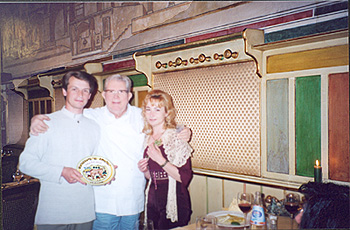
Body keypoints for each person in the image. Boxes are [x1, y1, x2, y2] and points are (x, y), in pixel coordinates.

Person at [30, 74, 192, 230]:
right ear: (104, 95)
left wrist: (184, 130)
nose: (115, 96)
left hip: (132, 198)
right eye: (110, 91)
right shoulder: (92, 116)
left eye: (120, 91)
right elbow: (64, 117)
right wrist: (37, 118)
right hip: (103, 200)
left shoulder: (141, 116)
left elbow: (165, 124)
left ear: (129, 95)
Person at [19, 71, 100, 230]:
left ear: (90, 95)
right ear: (64, 91)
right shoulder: (46, 122)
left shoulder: (95, 127)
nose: (80, 94)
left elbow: (94, 162)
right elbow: (26, 163)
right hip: (54, 213)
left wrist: (104, 173)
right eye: (74, 89)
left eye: (85, 90)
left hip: (85, 212)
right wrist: (61, 171)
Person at [137, 90, 193, 229]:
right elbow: (152, 176)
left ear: (167, 112)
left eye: (157, 109)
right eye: (148, 109)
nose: (151, 114)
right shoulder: (145, 137)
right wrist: (144, 171)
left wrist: (161, 160)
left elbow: (184, 177)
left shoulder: (176, 137)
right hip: (152, 199)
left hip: (174, 200)